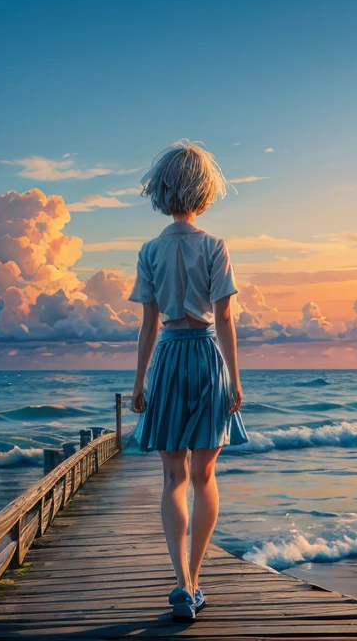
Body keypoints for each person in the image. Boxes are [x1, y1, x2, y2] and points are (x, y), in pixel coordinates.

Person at [128, 139, 248, 622]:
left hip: (169, 359)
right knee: (204, 477)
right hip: (205, 358)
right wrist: (236, 381)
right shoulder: (214, 246)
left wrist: (138, 383)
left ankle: (180, 582)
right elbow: (225, 320)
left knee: (173, 478)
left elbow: (148, 325)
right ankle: (196, 581)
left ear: (161, 191)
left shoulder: (150, 249)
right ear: (204, 190)